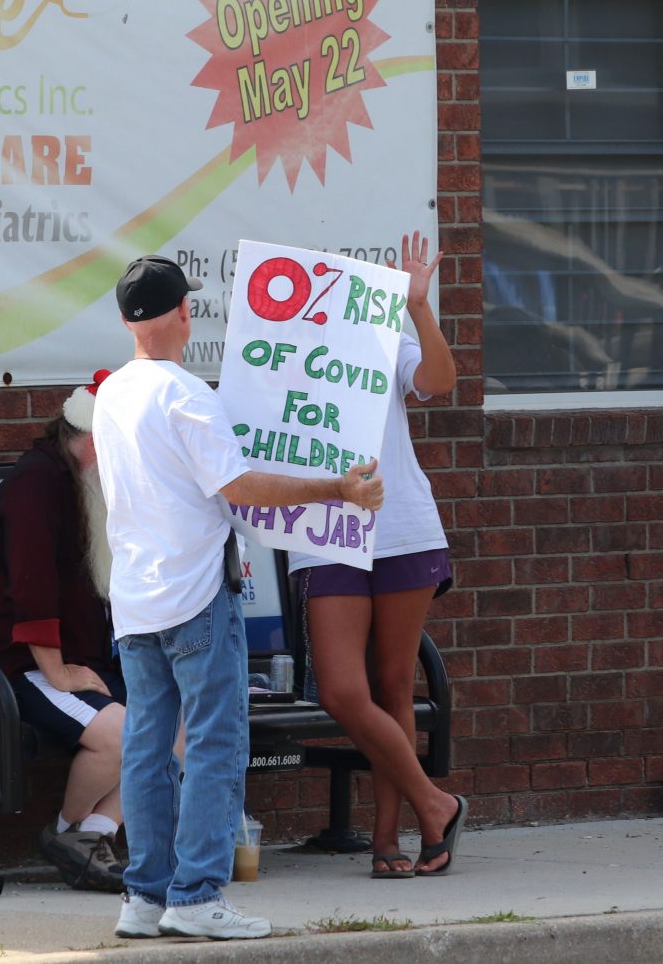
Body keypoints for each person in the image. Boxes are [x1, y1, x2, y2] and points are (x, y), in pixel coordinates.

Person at [93, 255, 388, 942]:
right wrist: (336, 488)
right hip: (195, 593)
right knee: (217, 741)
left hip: (135, 599)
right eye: (190, 305)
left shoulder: (112, 393)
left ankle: (145, 894)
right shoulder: (188, 395)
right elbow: (241, 486)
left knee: (146, 746)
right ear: (181, 314)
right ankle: (195, 894)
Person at [290, 231, 468, 878]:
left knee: (394, 681)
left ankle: (388, 837)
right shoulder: (277, 353)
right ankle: (434, 801)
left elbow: (440, 381)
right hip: (325, 529)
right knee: (343, 688)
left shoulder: (382, 337)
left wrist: (418, 305)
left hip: (401, 526)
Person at [0, 372, 129, 891]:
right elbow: (30, 588)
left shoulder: (79, 482)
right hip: (20, 664)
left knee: (182, 729)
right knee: (123, 736)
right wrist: (58, 672)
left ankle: (88, 834)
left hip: (83, 656)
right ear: (96, 442)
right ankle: (66, 832)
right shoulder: (35, 483)